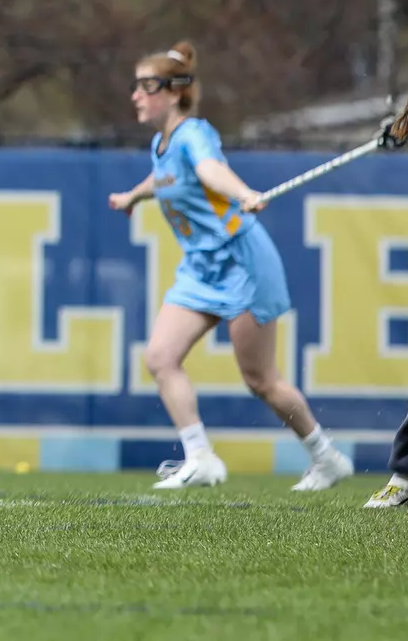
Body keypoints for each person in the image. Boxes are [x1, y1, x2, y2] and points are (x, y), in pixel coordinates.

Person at [108, 41, 352, 491]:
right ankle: (200, 457)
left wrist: (241, 193)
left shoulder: (195, 133)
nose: (135, 96)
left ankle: (326, 457)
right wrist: (132, 197)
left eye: (146, 86)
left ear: (175, 91)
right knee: (161, 358)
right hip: (200, 269)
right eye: (135, 86)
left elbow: (207, 171)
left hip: (242, 261)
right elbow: (164, 177)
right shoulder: (161, 145)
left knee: (260, 380)